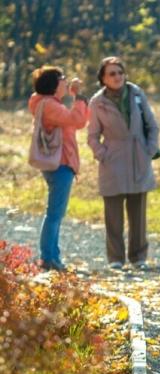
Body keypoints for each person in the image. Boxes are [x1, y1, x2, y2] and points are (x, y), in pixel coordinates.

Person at [86, 57, 159, 270]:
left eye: (120, 72)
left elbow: (152, 125)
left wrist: (150, 149)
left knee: (138, 213)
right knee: (113, 215)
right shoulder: (97, 102)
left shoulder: (137, 94)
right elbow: (92, 136)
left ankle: (138, 258)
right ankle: (115, 258)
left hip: (139, 156)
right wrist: (102, 153)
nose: (117, 77)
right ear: (103, 78)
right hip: (112, 160)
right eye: (112, 73)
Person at [27, 66, 90, 271]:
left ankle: (51, 256)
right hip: (61, 163)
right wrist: (78, 97)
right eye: (62, 78)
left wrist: (74, 98)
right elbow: (78, 120)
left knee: (55, 212)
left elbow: (73, 121)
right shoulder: (51, 106)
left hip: (57, 162)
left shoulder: (46, 103)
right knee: (55, 213)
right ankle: (49, 258)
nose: (66, 81)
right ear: (55, 83)